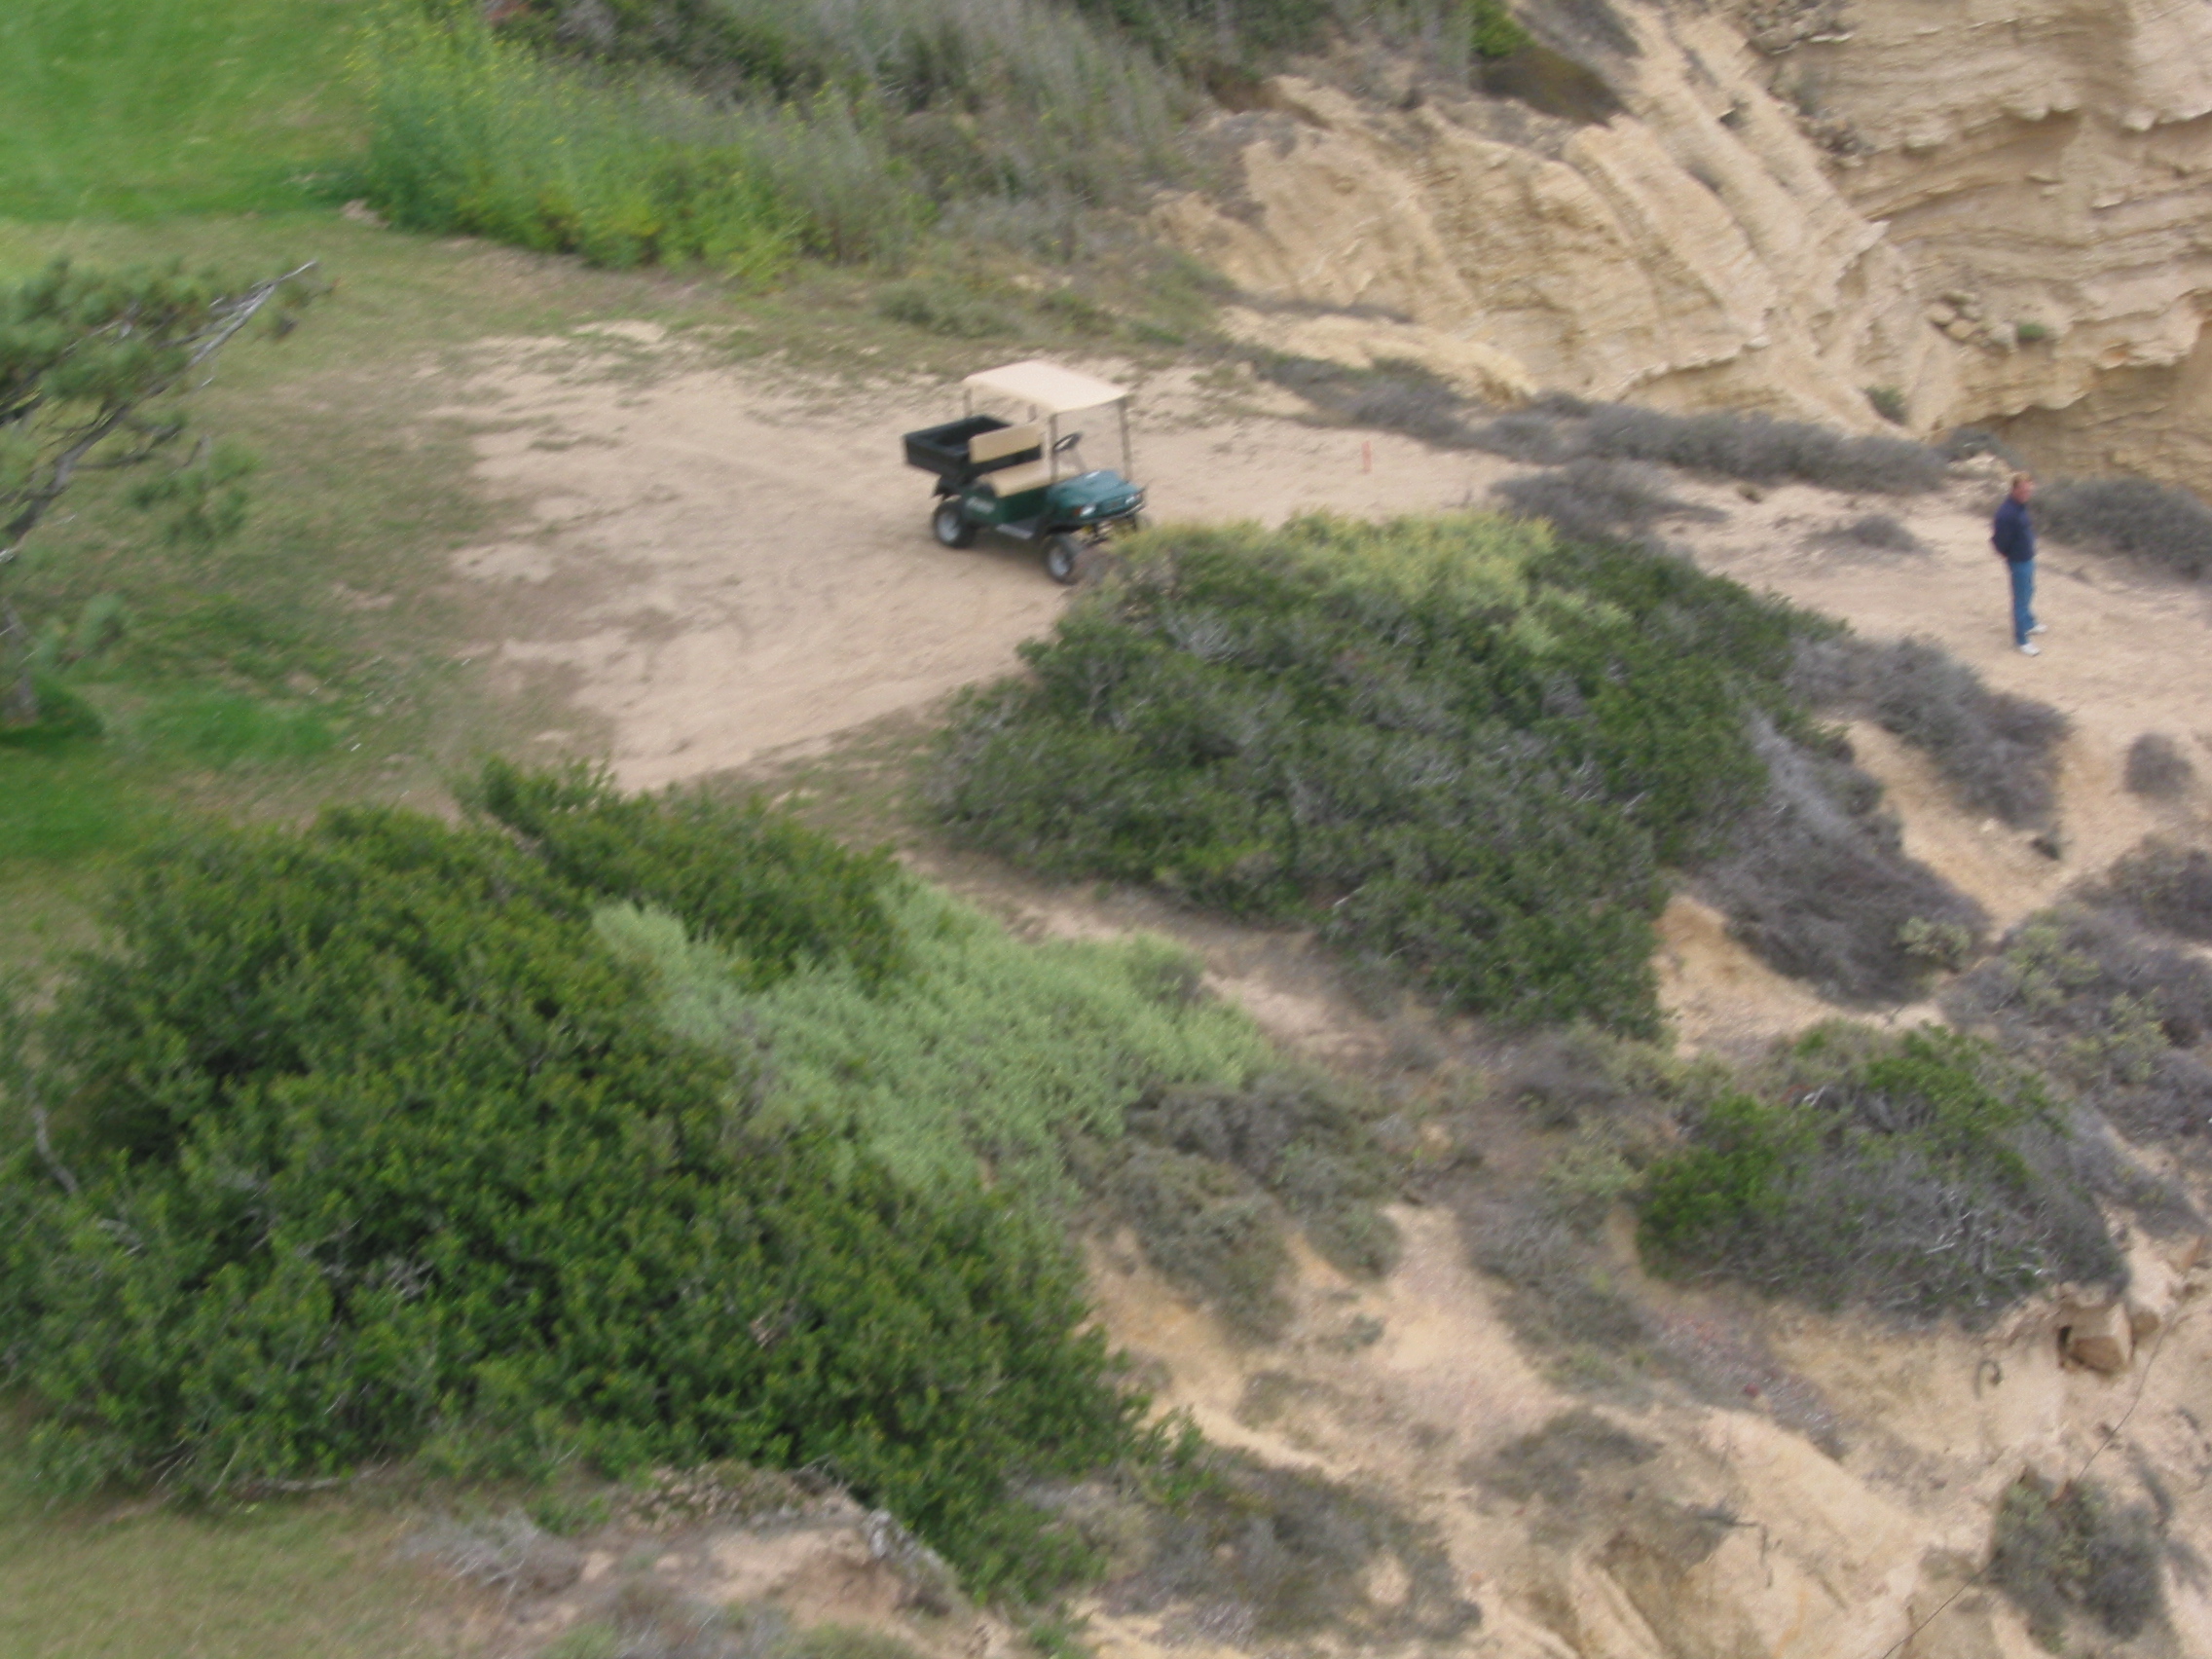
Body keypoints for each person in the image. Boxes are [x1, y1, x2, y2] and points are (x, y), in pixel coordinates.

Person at [1991, 473, 2046, 656]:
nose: (2026, 493)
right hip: (2018, 561)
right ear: (2014, 489)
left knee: (2029, 591)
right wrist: (2010, 555)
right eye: (2023, 490)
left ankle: (2029, 623)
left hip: (2028, 558)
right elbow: (1999, 541)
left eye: (2029, 490)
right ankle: (2021, 640)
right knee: (2020, 600)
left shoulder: (2020, 507)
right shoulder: (2006, 513)